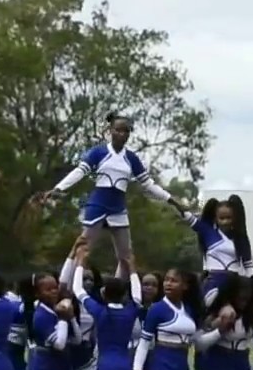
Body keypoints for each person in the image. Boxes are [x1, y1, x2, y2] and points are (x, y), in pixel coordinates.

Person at [34, 114, 176, 278]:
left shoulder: (131, 158)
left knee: (126, 255)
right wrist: (58, 188)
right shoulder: (99, 152)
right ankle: (65, 286)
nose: (122, 134)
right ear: (110, 131)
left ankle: (117, 291)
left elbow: (148, 184)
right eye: (118, 130)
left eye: (126, 131)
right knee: (83, 247)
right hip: (98, 203)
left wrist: (170, 199)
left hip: (118, 207)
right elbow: (80, 171)